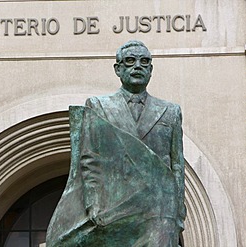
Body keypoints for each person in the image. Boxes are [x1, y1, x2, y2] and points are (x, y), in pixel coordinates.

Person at [47, 40, 186, 247]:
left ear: (151, 69)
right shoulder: (99, 106)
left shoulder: (170, 111)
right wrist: (93, 203)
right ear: (118, 69)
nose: (137, 66)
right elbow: (90, 159)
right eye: (130, 61)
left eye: (144, 61)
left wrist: (178, 211)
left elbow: (177, 165)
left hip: (158, 206)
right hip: (116, 205)